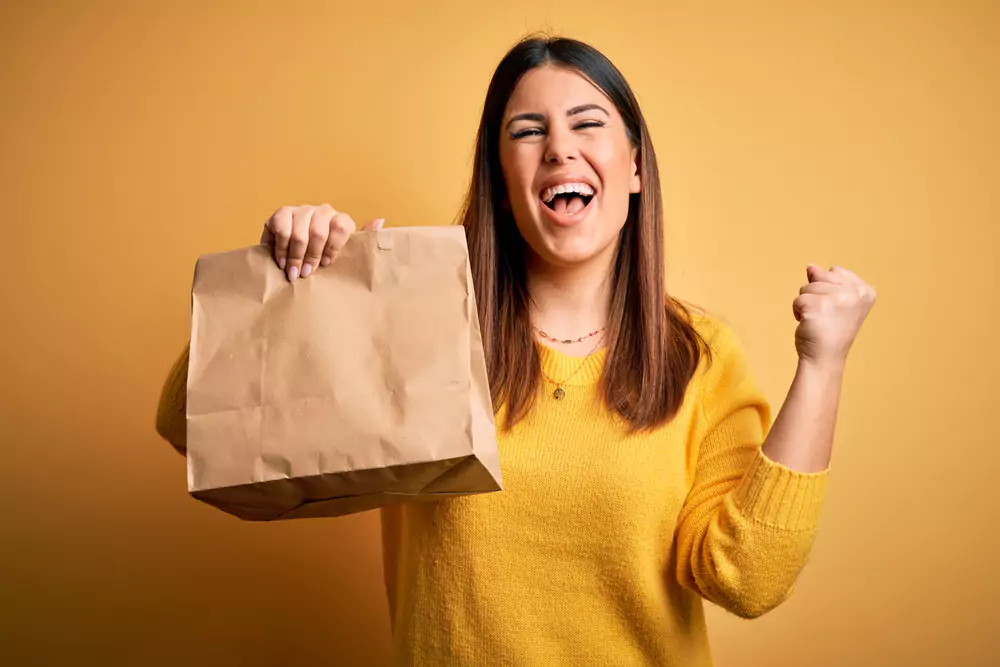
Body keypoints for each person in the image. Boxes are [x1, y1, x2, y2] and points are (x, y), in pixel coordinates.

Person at [157, 35, 876, 666]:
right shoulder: (421, 320)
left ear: (634, 167)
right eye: (528, 132)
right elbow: (192, 428)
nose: (559, 147)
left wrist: (823, 364)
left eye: (587, 123)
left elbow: (746, 579)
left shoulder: (700, 356)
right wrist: (295, 290)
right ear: (502, 185)